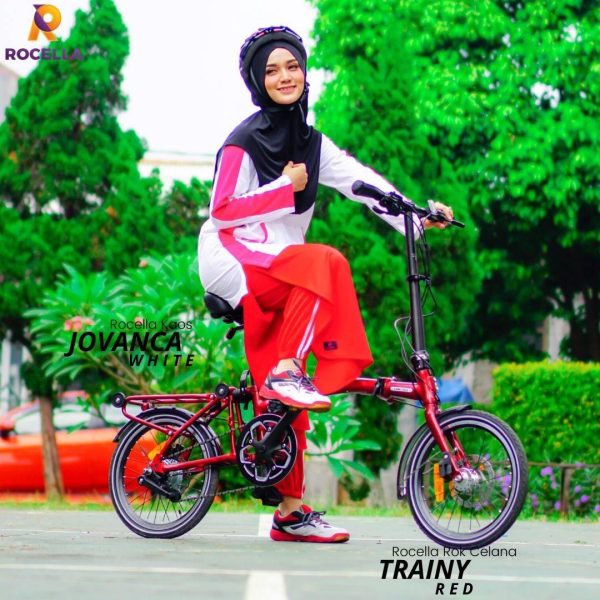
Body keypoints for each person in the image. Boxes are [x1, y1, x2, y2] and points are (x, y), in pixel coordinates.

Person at [197, 26, 453, 543]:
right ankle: (289, 369)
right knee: (326, 262)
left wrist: (416, 216)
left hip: (282, 265)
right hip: (234, 256)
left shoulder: (314, 144)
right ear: (257, 81)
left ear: (304, 73)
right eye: (272, 70)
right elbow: (221, 211)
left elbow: (364, 184)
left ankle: (290, 513)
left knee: (287, 405)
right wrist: (283, 187)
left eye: (292, 66)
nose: (284, 77)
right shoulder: (241, 143)